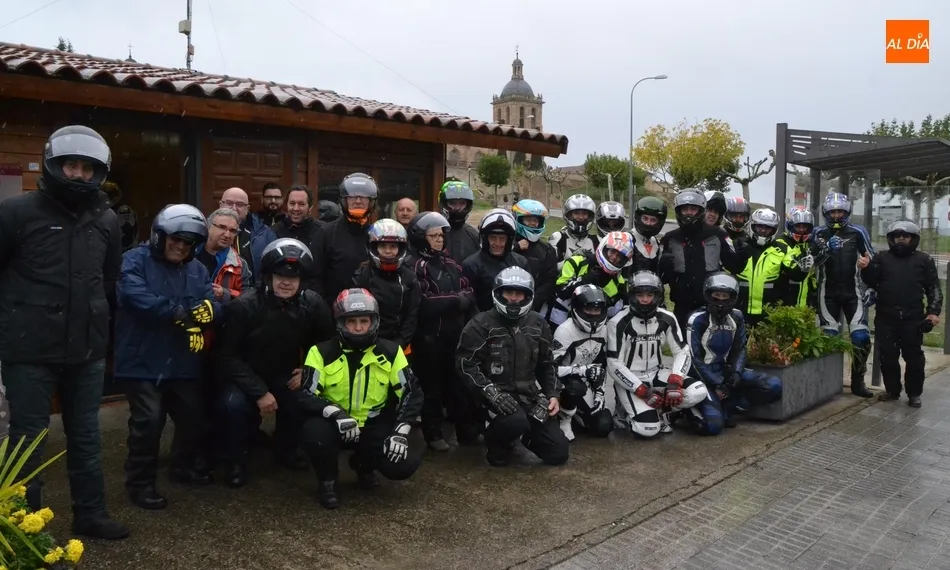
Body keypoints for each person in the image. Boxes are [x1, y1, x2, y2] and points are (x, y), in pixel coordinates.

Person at [0, 125, 129, 539]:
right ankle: (23, 530)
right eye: (70, 165)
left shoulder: (106, 218)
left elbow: (108, 279)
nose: (78, 174)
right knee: (27, 443)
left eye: (88, 168)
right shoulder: (16, 212)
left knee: (87, 436)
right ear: (54, 165)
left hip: (87, 350)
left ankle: (90, 515)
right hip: (29, 349)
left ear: (99, 172)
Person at [114, 204, 221, 510]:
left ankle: (182, 467)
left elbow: (209, 302)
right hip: (141, 359)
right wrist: (179, 313)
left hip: (182, 359)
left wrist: (213, 311)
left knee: (193, 417)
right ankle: (139, 483)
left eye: (187, 242)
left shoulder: (197, 269)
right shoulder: (133, 260)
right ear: (160, 236)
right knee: (148, 421)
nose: (180, 246)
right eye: (175, 239)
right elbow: (136, 298)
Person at [214, 238, 333, 487]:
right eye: (280, 275)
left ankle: (286, 450)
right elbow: (226, 355)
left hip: (285, 372)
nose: (287, 281)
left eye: (294, 276)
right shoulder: (243, 306)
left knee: (303, 397)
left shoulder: (313, 304)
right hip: (244, 375)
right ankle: (235, 462)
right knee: (233, 407)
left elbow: (326, 343)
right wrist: (259, 392)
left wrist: (310, 370)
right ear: (268, 276)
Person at [297, 288, 424, 509]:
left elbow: (412, 392)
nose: (357, 328)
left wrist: (400, 432)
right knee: (313, 434)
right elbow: (305, 394)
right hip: (334, 424)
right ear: (340, 323)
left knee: (404, 463)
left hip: (372, 424)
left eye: (364, 321)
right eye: (350, 321)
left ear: (374, 321)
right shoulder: (320, 352)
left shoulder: (392, 352)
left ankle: (364, 466)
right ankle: (327, 481)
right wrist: (336, 414)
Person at [457, 267, 569, 467]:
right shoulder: (479, 325)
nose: (514, 299)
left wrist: (552, 394)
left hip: (529, 396)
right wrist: (490, 393)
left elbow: (547, 363)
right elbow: (466, 365)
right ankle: (495, 441)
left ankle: (525, 434)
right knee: (505, 444)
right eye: (509, 293)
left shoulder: (538, 323)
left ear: (528, 296)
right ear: (499, 293)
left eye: (519, 294)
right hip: (493, 398)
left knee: (558, 453)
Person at [405, 212, 479, 450]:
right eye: (432, 236)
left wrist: (454, 299)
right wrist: (456, 300)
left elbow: (469, 291)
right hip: (428, 339)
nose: (439, 240)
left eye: (441, 235)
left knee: (458, 385)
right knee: (432, 389)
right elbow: (425, 302)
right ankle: (434, 435)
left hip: (454, 336)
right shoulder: (414, 265)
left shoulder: (451, 263)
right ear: (419, 237)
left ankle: (465, 431)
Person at [608, 271, 709, 437]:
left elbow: (681, 351)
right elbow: (614, 365)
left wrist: (675, 381)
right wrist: (642, 391)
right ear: (631, 295)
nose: (645, 300)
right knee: (647, 430)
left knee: (698, 390)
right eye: (640, 294)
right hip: (631, 379)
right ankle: (624, 411)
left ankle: (662, 411)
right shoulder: (617, 322)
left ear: (658, 295)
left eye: (650, 294)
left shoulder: (667, 318)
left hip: (657, 373)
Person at [686, 273, 782, 433]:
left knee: (774, 385)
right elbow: (693, 358)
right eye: (716, 296)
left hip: (725, 372)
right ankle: (690, 408)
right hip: (701, 377)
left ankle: (730, 405)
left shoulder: (737, 316)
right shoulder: (696, 319)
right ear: (708, 295)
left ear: (733, 297)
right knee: (712, 427)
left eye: (725, 296)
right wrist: (716, 383)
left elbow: (740, 348)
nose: (721, 301)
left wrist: (736, 373)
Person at [861, 220, 942, 408]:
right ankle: (892, 390)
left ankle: (914, 393)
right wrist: (865, 268)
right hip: (886, 316)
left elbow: (934, 289)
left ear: (913, 238)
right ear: (891, 238)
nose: (901, 239)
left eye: (905, 236)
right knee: (887, 356)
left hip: (913, 318)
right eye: (897, 236)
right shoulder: (881, 258)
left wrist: (933, 313)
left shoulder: (924, 260)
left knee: (914, 357)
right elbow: (872, 281)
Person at [812, 192, 875, 398]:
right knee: (829, 339)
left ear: (847, 212)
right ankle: (829, 383)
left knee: (861, 338)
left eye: (840, 211)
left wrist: (872, 283)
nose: (837, 216)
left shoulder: (858, 232)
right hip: (826, 294)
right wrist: (825, 250)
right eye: (833, 212)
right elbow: (811, 262)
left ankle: (858, 381)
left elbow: (872, 260)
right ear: (826, 213)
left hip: (853, 293)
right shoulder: (818, 232)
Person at [658, 189, 740, 332]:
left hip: (711, 305)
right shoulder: (670, 238)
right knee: (682, 350)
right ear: (678, 210)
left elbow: (735, 267)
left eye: (693, 208)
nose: (689, 212)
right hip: (681, 306)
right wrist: (664, 267)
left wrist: (740, 255)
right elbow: (663, 279)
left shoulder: (718, 234)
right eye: (685, 209)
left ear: (701, 210)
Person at [552, 284, 613, 441]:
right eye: (588, 309)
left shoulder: (605, 330)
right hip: (565, 383)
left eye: (597, 310)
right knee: (575, 387)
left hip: (588, 383)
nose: (593, 314)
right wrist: (582, 370)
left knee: (604, 426)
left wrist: (600, 393)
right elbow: (551, 369)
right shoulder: (564, 331)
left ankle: (578, 414)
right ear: (577, 308)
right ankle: (564, 419)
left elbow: (602, 365)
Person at [351, 219, 420, 350]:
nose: (388, 251)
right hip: (368, 343)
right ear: (373, 248)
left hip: (400, 344)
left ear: (401, 248)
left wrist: (400, 343)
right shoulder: (362, 276)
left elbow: (412, 315)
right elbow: (356, 313)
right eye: (382, 246)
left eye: (393, 246)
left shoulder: (409, 277)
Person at [732, 208, 808, 326]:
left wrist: (803, 269)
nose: (763, 231)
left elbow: (795, 275)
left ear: (774, 230)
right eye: (759, 227)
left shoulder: (782, 249)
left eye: (768, 228)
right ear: (752, 226)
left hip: (769, 313)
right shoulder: (739, 244)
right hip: (738, 311)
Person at [547, 231, 633, 326]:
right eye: (612, 252)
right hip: (567, 320)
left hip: (598, 322)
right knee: (560, 302)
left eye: (619, 256)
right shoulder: (576, 262)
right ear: (604, 246)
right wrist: (585, 279)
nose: (614, 257)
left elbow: (622, 311)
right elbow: (561, 292)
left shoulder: (619, 280)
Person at [318, 173, 379, 304]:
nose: (358, 201)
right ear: (344, 200)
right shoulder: (326, 233)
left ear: (371, 202)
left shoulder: (377, 234)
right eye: (352, 197)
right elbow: (314, 277)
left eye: (363, 197)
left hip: (369, 312)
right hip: (333, 310)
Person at [462, 208, 530, 312]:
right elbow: (469, 304)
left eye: (502, 239)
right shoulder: (471, 265)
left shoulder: (521, 262)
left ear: (509, 240)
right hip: (481, 323)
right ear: (485, 238)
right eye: (493, 238)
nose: (498, 243)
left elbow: (527, 298)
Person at [272, 184, 324, 293]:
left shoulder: (323, 231)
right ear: (286, 205)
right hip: (282, 292)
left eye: (301, 204)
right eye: (292, 203)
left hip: (313, 295)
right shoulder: (273, 232)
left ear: (310, 208)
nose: (296, 208)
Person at [195, 208, 253, 304]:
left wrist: (225, 294)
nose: (227, 234)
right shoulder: (189, 254)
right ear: (208, 227)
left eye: (232, 230)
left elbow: (248, 298)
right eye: (222, 227)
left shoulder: (240, 265)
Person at [512, 199, 559, 312]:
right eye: (529, 219)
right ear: (518, 219)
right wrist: (515, 247)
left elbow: (550, 281)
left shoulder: (547, 250)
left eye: (536, 220)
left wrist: (533, 301)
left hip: (535, 306)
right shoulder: (507, 244)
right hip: (508, 299)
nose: (533, 223)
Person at [221, 187, 277, 278]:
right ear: (221, 205)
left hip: (252, 289)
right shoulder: (208, 230)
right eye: (229, 203)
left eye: (240, 204)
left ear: (247, 209)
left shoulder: (265, 234)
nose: (234, 208)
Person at [775, 207, 820, 308]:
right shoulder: (781, 243)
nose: (801, 230)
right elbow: (794, 270)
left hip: (805, 303)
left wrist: (826, 250)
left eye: (805, 227)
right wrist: (812, 252)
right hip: (785, 304)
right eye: (798, 226)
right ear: (790, 226)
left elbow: (816, 266)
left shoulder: (809, 243)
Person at [548, 193, 598, 269]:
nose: (581, 217)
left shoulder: (597, 241)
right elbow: (550, 269)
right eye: (576, 213)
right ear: (569, 215)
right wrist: (572, 259)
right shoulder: (558, 238)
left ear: (590, 216)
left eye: (584, 214)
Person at [439, 180, 481, 266]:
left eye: (462, 203)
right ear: (444, 203)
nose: (458, 208)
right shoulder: (434, 233)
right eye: (452, 203)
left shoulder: (474, 235)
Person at [625, 195, 667, 275]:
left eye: (653, 220)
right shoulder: (626, 240)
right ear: (638, 217)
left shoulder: (655, 242)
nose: (648, 223)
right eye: (645, 218)